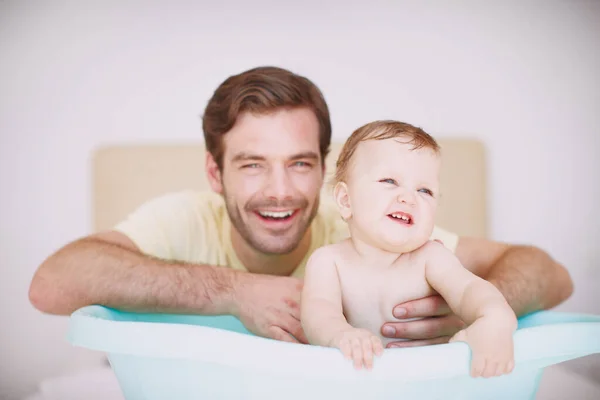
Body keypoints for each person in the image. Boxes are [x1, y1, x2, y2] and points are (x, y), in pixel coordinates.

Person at [29, 66, 573, 348]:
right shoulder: (186, 218)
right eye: (251, 164)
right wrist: (236, 291)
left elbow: (549, 275)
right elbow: (52, 284)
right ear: (215, 173)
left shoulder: (368, 227)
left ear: (329, 173)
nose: (280, 190)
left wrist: (472, 310)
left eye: (299, 163)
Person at [301, 120, 517, 377]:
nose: (408, 197)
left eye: (424, 190)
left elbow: (470, 289)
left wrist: (494, 319)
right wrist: (341, 334)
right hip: (358, 382)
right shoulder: (329, 261)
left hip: (425, 383)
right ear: (346, 200)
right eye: (389, 181)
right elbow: (318, 313)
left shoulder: (431, 257)